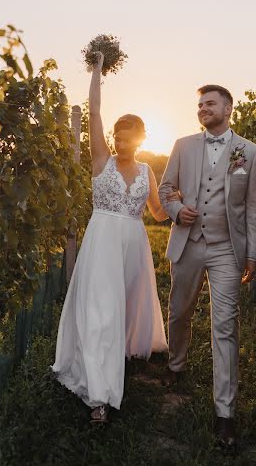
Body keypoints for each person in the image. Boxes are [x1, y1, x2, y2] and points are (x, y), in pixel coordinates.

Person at [52, 52, 170, 423]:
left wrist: (180, 198)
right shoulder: (100, 159)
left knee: (125, 307)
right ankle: (98, 395)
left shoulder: (148, 171)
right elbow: (95, 110)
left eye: (128, 141)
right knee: (101, 312)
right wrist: (96, 71)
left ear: (140, 140)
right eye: (118, 139)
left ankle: (116, 357)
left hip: (134, 245)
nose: (121, 145)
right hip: (102, 240)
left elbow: (158, 213)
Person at [158, 84, 256, 450]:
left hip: (226, 250)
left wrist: (253, 252)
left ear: (229, 108)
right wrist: (175, 210)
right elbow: (166, 189)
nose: (203, 108)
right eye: (199, 104)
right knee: (179, 310)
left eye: (210, 103)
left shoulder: (250, 152)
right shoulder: (183, 145)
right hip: (189, 243)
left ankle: (225, 414)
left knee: (225, 326)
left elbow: (253, 208)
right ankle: (176, 364)